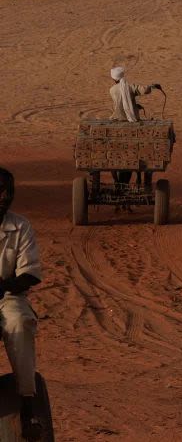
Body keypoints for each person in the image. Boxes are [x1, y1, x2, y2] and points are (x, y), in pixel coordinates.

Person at [0, 168, 45, 441]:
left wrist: (2, 287)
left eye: (10, 191)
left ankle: (27, 405)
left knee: (20, 324)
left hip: (9, 296)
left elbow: (29, 274)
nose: (6, 197)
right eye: (0, 190)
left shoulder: (21, 226)